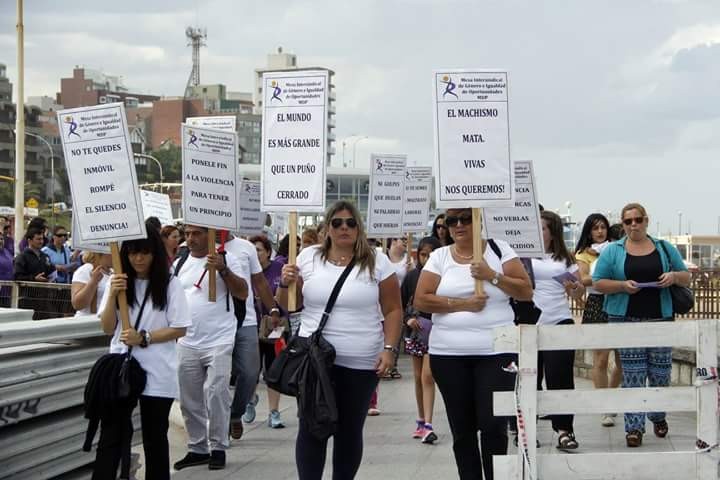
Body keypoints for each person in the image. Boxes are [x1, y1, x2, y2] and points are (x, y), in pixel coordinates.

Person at [278, 200, 403, 480]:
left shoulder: (377, 261)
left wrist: (389, 349)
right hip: (315, 359)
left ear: (359, 227)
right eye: (337, 223)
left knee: (349, 430)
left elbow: (393, 308)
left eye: (350, 223)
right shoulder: (308, 257)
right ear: (327, 228)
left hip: (361, 360)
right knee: (311, 428)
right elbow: (290, 304)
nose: (344, 228)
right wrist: (286, 283)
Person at [414, 208, 533, 480]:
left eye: (465, 218)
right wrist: (463, 304)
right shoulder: (439, 257)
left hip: (496, 350)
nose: (458, 225)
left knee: (493, 424)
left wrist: (492, 275)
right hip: (449, 354)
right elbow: (421, 299)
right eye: (451, 221)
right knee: (462, 428)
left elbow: (526, 291)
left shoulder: (499, 250)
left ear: (478, 220)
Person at [94, 229, 191, 480]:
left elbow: (180, 327)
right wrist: (113, 295)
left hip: (158, 371)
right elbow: (107, 327)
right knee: (112, 434)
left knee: (155, 437)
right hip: (121, 368)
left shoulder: (170, 283)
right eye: (134, 252)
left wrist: (145, 337)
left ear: (155, 254)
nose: (139, 259)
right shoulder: (118, 281)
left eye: (145, 252)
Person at [593, 202, 690, 447]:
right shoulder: (613, 251)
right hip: (625, 319)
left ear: (646, 220)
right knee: (633, 376)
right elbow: (598, 282)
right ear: (623, 225)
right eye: (628, 221)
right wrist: (622, 286)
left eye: (638, 220)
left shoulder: (664, 248)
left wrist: (673, 277)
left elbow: (686, 276)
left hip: (661, 317)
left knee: (660, 374)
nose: (634, 225)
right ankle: (633, 428)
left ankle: (657, 415)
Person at [173, 226, 249, 471]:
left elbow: (243, 292)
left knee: (217, 392)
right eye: (187, 233)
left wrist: (223, 269)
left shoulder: (229, 258)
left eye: (197, 233)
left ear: (209, 233)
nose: (190, 239)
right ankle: (197, 448)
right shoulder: (180, 262)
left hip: (220, 338)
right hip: (187, 340)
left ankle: (218, 446)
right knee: (189, 398)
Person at [531, 211, 586, 451]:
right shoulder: (522, 257)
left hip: (559, 319)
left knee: (560, 379)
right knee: (528, 378)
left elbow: (579, 293)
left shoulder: (565, 259)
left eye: (542, 228)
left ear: (552, 232)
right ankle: (526, 430)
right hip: (529, 322)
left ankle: (564, 430)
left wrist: (574, 287)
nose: (538, 232)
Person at [221, 231, 279, 438]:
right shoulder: (195, 249)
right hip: (213, 325)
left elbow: (260, 282)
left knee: (250, 371)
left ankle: (235, 414)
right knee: (217, 377)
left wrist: (273, 309)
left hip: (244, 320)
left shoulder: (245, 247)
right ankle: (218, 427)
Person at [575, 213, 622, 427]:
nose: (600, 232)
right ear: (589, 231)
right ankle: (604, 406)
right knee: (601, 359)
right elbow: (583, 279)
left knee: (623, 358)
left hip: (619, 302)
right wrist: (604, 279)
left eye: (603, 227)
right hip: (596, 304)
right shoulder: (584, 254)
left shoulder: (617, 248)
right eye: (595, 228)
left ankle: (612, 400)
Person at [401, 236, 441, 444]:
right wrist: (408, 319)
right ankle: (421, 418)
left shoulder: (443, 275)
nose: (427, 259)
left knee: (427, 376)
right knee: (418, 377)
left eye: (431, 254)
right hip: (417, 332)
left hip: (437, 330)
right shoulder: (411, 277)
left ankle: (429, 423)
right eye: (423, 255)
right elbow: (402, 304)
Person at [250, 234, 287, 428]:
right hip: (250, 326)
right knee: (250, 370)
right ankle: (249, 399)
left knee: (273, 370)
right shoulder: (244, 270)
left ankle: (274, 412)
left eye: (259, 250)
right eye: (252, 250)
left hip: (274, 325)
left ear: (267, 252)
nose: (255, 254)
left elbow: (287, 295)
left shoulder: (278, 269)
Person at [72, 251, 112, 316]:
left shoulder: (112, 271)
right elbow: (77, 304)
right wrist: (94, 281)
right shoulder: (86, 269)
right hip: (89, 322)